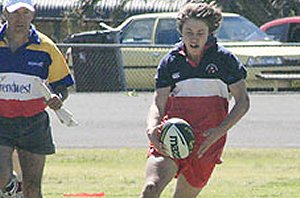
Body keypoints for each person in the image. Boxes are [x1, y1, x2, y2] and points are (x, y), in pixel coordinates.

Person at [140, 1, 250, 198]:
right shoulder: (170, 61)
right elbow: (158, 102)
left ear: (210, 33)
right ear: (181, 32)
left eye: (200, 32)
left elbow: (243, 102)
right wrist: (152, 129)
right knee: (151, 188)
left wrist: (218, 132)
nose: (194, 37)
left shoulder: (224, 60)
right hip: (171, 135)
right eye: (189, 32)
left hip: (206, 144)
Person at [0, 0, 75, 197]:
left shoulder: (46, 47)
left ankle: (19, 190)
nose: (20, 18)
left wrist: (58, 98)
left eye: (26, 13)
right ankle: (12, 189)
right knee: (1, 176)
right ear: (4, 14)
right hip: (1, 121)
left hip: (33, 123)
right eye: (15, 13)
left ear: (32, 16)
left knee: (33, 187)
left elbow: (62, 85)